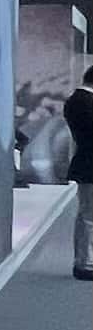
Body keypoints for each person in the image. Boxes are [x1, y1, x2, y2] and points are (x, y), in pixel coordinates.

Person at [67, 64, 93, 281]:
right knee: (88, 215)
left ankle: (86, 261)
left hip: (87, 163)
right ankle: (84, 263)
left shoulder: (81, 100)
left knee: (88, 213)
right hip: (89, 164)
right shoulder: (82, 102)